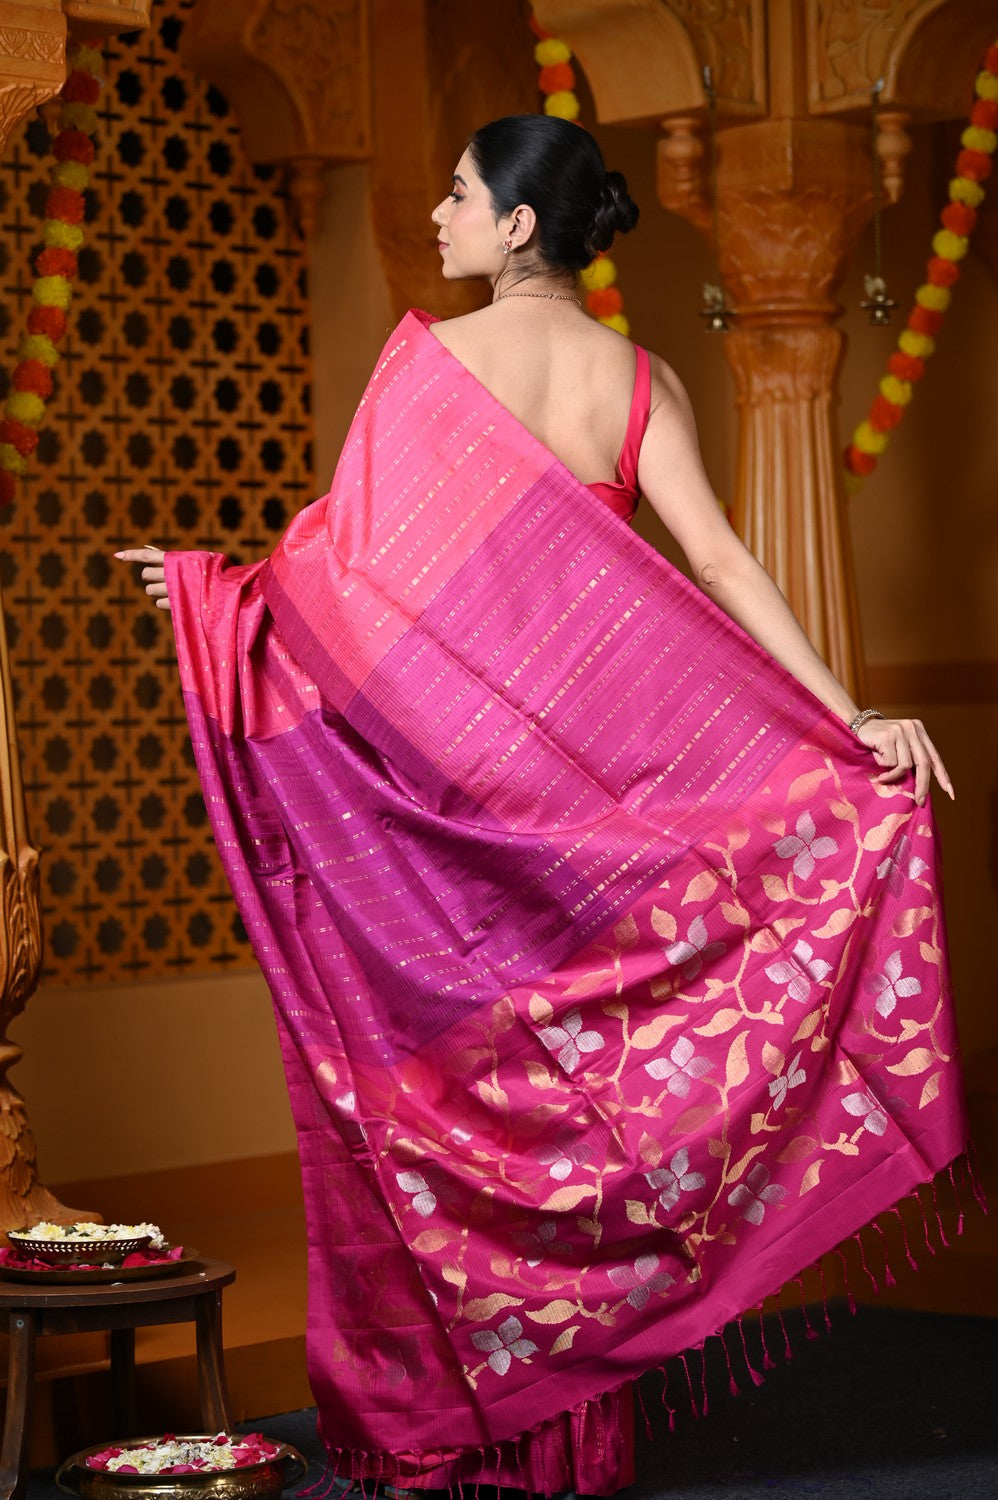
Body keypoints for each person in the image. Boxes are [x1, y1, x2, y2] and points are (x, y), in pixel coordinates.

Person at [117, 116, 966, 1494]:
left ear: (517, 223)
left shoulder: (428, 367)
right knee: (588, 1116)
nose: (439, 214)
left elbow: (339, 591)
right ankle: (578, 1434)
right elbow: (722, 566)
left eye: (458, 194)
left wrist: (217, 597)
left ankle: (469, 1432)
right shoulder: (641, 382)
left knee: (458, 1113)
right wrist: (847, 720)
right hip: (590, 820)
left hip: (455, 824)